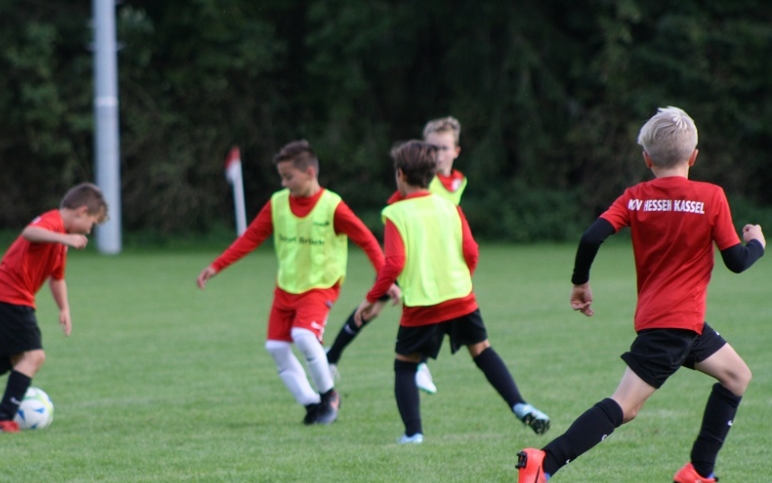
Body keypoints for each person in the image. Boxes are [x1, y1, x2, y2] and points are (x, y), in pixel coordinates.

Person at [511, 106, 765, 483]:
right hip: (674, 327)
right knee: (623, 408)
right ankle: (545, 462)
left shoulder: (635, 196)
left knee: (737, 375)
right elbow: (737, 262)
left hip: (677, 323)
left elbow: (591, 236)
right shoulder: (711, 196)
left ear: (647, 159)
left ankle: (700, 473)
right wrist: (756, 243)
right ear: (694, 156)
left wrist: (580, 283)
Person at [355, 141, 550, 444]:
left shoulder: (395, 213)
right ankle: (520, 405)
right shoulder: (449, 207)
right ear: (432, 174)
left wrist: (371, 299)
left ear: (400, 174)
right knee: (482, 351)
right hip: (461, 297)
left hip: (422, 305)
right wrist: (460, 279)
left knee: (405, 364)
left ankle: (413, 433)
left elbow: (393, 263)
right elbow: (471, 251)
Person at [196, 140, 398, 425]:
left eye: (288, 177)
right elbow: (251, 237)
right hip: (286, 288)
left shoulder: (332, 206)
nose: (284, 183)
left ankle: (329, 396)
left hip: (320, 287)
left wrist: (385, 278)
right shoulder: (278, 203)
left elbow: (367, 240)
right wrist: (217, 266)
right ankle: (312, 404)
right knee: (276, 348)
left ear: (310, 173)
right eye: (282, 177)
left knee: (304, 336)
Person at [0, 183, 108, 432]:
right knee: (34, 356)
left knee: (11, 359)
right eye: (91, 223)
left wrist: (64, 309)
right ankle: (2, 417)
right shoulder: (53, 222)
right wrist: (64, 237)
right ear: (82, 211)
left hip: (4, 294)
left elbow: (57, 277)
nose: (89, 230)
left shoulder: (61, 240)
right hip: (9, 294)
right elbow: (30, 232)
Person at [325, 116, 468, 394]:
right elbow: (394, 213)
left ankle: (419, 364)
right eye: (433, 148)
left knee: (434, 309)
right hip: (407, 259)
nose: (438, 154)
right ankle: (332, 356)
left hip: (432, 261)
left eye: (444, 148)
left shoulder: (459, 182)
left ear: (456, 151)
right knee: (374, 309)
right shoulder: (421, 182)